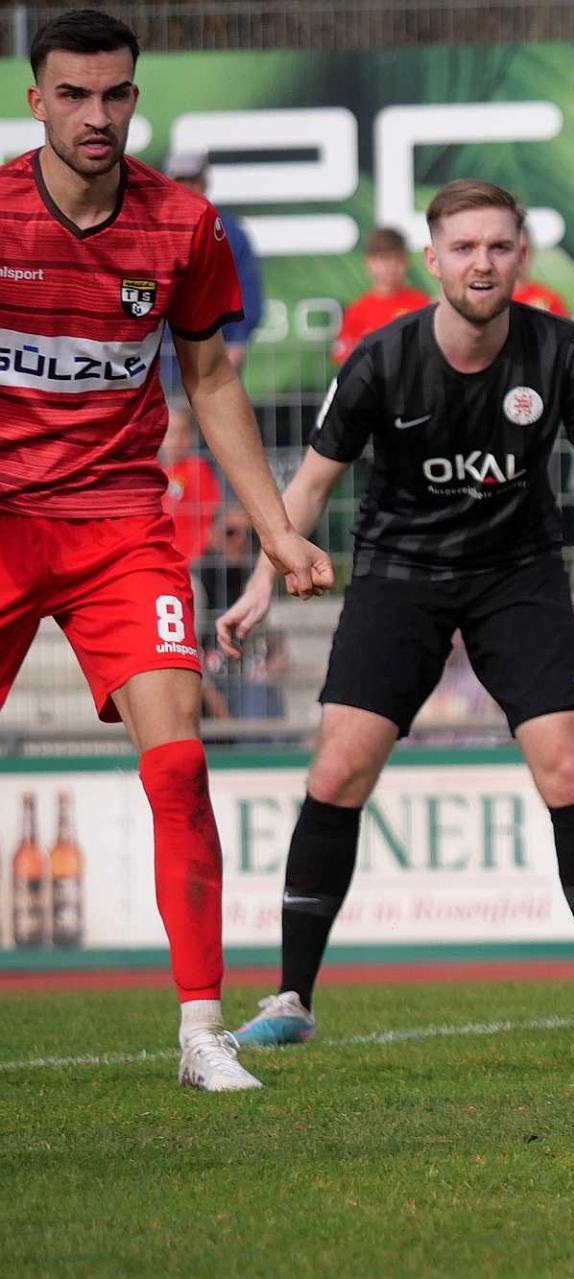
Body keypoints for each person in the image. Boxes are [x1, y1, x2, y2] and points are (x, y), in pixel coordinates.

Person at [216, 179, 574, 1049]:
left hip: (517, 574)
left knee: (570, 767)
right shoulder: (381, 358)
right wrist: (265, 579)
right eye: (464, 248)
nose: (481, 263)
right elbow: (309, 485)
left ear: (520, 256)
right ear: (433, 260)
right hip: (400, 575)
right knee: (337, 771)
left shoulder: (558, 348)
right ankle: (291, 998)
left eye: (498, 246)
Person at [0, 10, 332, 1091]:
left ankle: (200, 1033)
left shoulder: (184, 224)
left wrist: (276, 526)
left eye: (115, 94)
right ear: (37, 101)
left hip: (119, 527)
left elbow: (212, 378)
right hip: (4, 523)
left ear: (135, 98)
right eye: (74, 95)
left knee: (180, 764)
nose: (96, 115)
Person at [164, 151, 260, 372]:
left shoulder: (230, 233)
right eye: (180, 180)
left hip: (218, 358)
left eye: (193, 179)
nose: (187, 187)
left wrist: (237, 341)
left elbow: (248, 290)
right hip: (164, 360)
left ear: (206, 181)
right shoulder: (152, 231)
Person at [330, 226, 429, 365]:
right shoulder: (357, 310)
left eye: (397, 259)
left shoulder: (422, 304)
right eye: (384, 259)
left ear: (407, 261)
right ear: (368, 263)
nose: (391, 266)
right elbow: (343, 355)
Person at [158, 404, 219, 564]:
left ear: (192, 436)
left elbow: (210, 513)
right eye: (172, 433)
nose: (178, 439)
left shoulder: (197, 468)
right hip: (165, 555)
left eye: (183, 432)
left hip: (195, 557)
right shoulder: (156, 472)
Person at [513, 229, 570, 316]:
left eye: (524, 250)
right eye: (512, 249)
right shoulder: (492, 299)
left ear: (532, 252)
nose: (519, 257)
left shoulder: (549, 298)